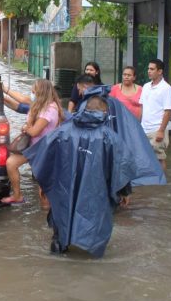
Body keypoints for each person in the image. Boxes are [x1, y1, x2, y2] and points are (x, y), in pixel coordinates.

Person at [24, 94, 135, 257]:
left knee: (61, 223)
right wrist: (124, 192)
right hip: (96, 191)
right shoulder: (109, 137)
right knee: (95, 222)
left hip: (63, 188)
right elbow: (121, 167)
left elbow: (44, 159)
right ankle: (93, 263)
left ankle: (57, 254)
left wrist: (43, 186)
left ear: (85, 108)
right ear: (104, 112)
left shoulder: (62, 132)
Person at [2, 79, 63, 205]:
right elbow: (22, 100)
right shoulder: (40, 105)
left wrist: (26, 127)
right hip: (34, 147)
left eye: (33, 91)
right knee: (11, 163)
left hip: (45, 150)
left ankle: (47, 216)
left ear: (40, 93)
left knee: (43, 188)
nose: (31, 94)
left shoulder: (50, 109)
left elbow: (34, 132)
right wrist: (1, 92)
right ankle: (17, 196)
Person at [140, 58, 171, 171]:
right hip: (144, 128)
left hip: (156, 129)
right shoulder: (145, 86)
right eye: (148, 69)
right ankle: (150, 185)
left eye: (152, 69)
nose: (149, 71)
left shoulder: (166, 88)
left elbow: (168, 111)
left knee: (159, 158)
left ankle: (160, 185)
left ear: (160, 71)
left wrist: (161, 131)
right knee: (145, 157)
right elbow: (142, 107)